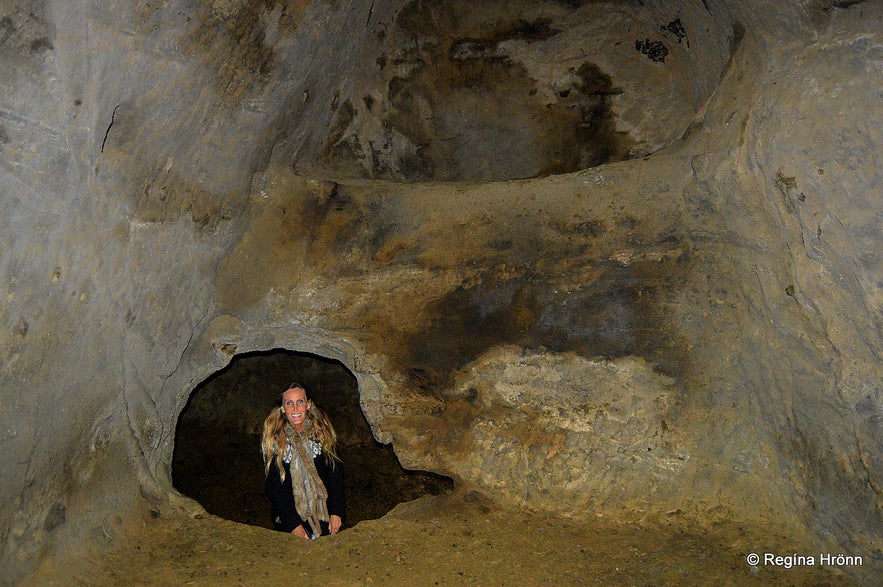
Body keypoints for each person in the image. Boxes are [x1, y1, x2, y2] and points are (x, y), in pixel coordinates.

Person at [261, 383, 345, 539]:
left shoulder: (322, 435)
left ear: (308, 404)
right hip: (290, 519)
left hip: (323, 515)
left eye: (300, 402)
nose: (295, 408)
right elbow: (275, 487)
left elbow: (335, 475)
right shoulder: (275, 441)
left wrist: (336, 512)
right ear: (282, 408)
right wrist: (293, 525)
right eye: (289, 403)